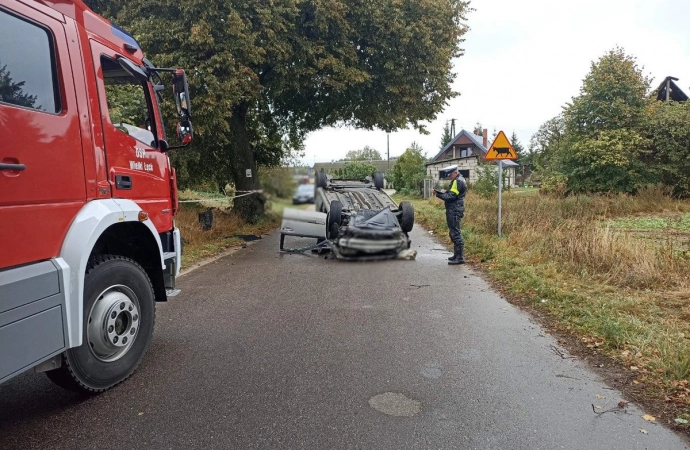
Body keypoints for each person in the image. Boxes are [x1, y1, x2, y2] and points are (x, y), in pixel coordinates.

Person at [433, 165, 467, 265]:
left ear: (455, 172)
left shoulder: (457, 181)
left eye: (450, 175)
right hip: (455, 208)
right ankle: (456, 255)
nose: (449, 177)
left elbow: (451, 197)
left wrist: (438, 194)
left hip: (454, 209)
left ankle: (459, 257)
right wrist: (445, 192)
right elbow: (453, 193)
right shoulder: (460, 179)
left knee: (455, 233)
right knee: (454, 231)